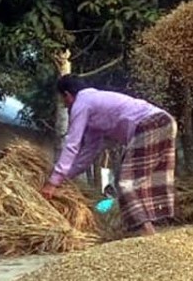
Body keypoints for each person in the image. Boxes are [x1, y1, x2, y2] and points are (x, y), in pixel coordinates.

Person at [41, 76, 178, 237]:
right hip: (165, 121)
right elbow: (88, 153)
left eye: (64, 100)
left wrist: (53, 181)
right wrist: (65, 179)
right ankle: (147, 227)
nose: (65, 105)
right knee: (145, 179)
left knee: (125, 182)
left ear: (67, 95)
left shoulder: (82, 103)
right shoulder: (94, 105)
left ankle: (146, 232)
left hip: (149, 125)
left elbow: (72, 145)